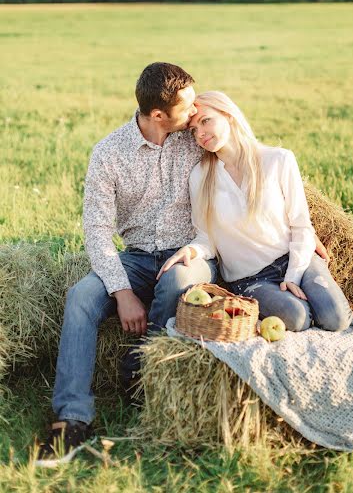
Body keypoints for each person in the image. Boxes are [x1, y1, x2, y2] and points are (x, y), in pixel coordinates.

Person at [37, 62, 218, 459]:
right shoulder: (109, 153)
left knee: (176, 282)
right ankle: (72, 418)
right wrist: (122, 293)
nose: (195, 113)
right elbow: (97, 231)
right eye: (186, 108)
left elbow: (245, 159)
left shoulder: (196, 137)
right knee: (82, 296)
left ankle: (142, 369)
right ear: (157, 115)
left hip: (189, 254)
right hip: (135, 259)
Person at [158, 91, 353, 333]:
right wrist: (191, 250)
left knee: (336, 319)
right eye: (193, 130)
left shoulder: (278, 160)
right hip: (250, 279)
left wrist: (293, 276)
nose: (200, 134)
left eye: (206, 121)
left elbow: (301, 226)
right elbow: (206, 238)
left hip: (292, 258)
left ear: (228, 115)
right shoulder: (200, 176)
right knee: (297, 318)